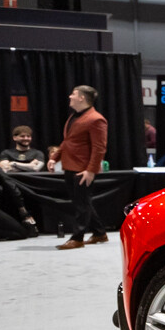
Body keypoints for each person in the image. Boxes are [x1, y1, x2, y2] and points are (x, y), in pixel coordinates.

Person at [48, 85, 109, 251]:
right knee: (82, 201)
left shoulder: (96, 119)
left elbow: (99, 148)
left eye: (73, 94)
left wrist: (91, 170)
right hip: (71, 165)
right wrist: (55, 158)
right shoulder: (74, 116)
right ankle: (99, 233)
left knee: (81, 204)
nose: (70, 96)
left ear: (82, 97)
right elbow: (67, 141)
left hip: (83, 168)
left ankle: (77, 237)